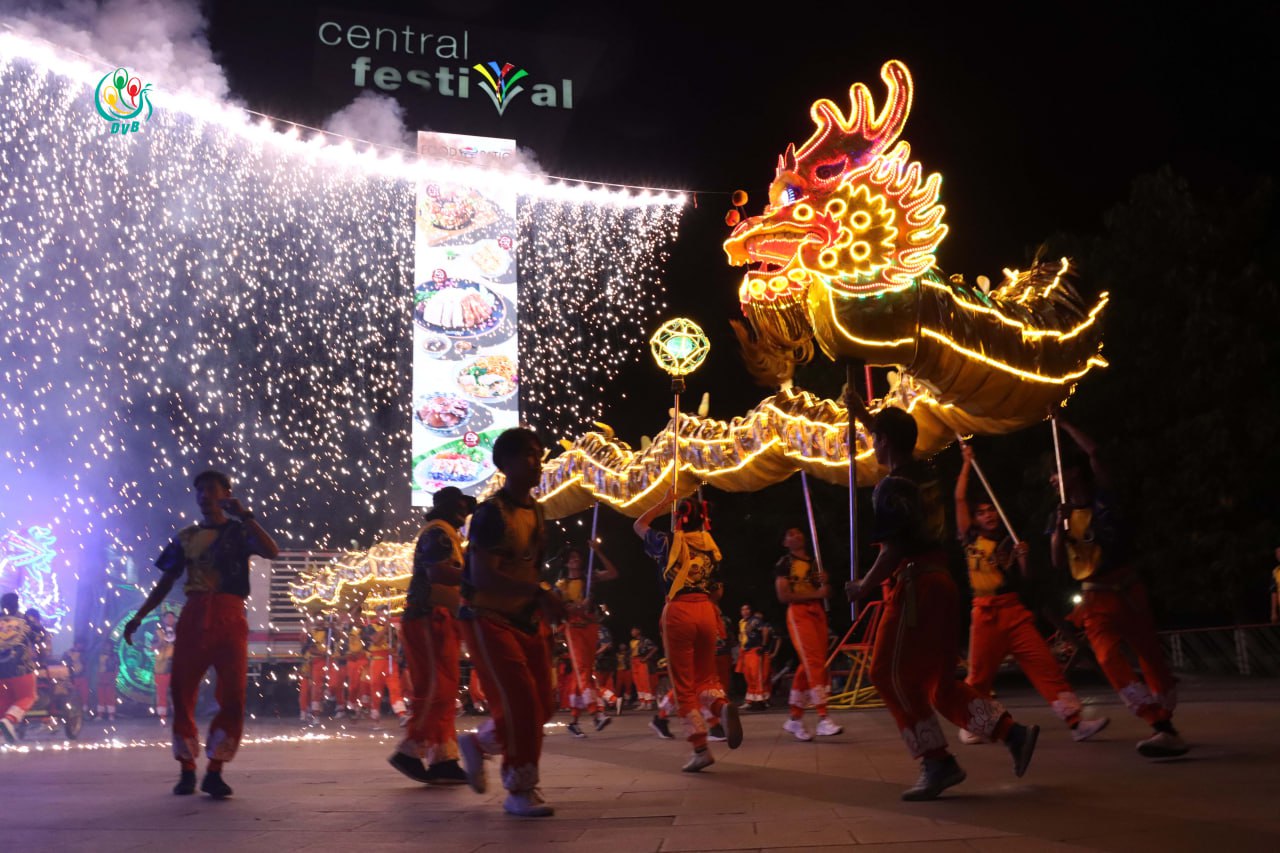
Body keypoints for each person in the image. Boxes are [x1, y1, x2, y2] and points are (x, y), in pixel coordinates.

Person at [844, 401, 1039, 801]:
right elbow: (896, 442)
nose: (871, 445)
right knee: (940, 686)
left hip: (915, 587)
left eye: (873, 439)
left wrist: (863, 586)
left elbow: (894, 548)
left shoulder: (891, 487)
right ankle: (1011, 733)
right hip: (943, 584)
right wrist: (864, 415)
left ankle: (936, 761)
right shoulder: (925, 473)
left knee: (886, 674)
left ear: (883, 442)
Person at [123, 469, 280, 799]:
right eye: (200, 491)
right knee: (181, 694)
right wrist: (139, 616)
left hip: (230, 616)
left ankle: (215, 771)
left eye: (211, 489)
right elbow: (165, 583)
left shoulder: (239, 532)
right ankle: (187, 769)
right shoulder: (186, 537)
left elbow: (272, 551)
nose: (204, 495)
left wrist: (246, 515)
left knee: (234, 697)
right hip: (194, 617)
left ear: (226, 494)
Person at [1050, 415, 1188, 758]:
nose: (1054, 480)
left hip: (1128, 590)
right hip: (1094, 600)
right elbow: (1056, 563)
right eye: (1051, 476)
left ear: (1075, 473)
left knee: (1151, 658)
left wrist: (1063, 424)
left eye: (1058, 473)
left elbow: (1095, 452)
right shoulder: (1060, 515)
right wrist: (1058, 531)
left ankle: (1165, 719)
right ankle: (1159, 725)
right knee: (1108, 658)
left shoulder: (1102, 498)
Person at [954, 444, 1108, 744]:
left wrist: (1022, 557)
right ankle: (973, 723)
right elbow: (959, 498)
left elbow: (1025, 579)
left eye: (991, 511)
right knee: (979, 678)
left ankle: (1075, 722)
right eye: (981, 513)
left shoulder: (1009, 542)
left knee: (1045, 666)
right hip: (985, 614)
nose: (988, 516)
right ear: (974, 519)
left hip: (1013, 612)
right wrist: (966, 464)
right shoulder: (969, 538)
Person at [456, 428, 565, 817]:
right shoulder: (491, 514)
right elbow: (483, 576)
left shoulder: (535, 510)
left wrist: (547, 600)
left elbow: (530, 567)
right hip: (487, 618)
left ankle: (481, 743)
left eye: (538, 454)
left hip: (525, 619)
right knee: (520, 701)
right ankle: (520, 789)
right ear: (505, 465)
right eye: (528, 456)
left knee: (543, 706)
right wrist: (538, 592)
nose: (537, 462)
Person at [634, 489, 743, 772]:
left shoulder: (668, 541)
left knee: (683, 685)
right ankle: (720, 707)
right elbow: (717, 589)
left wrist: (662, 503)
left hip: (679, 611)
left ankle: (700, 747)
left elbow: (638, 525)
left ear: (679, 518)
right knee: (706, 677)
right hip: (706, 611)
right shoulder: (710, 546)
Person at [390, 486, 475, 785]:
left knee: (445, 689)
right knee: (437, 689)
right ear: (455, 509)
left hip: (439, 617)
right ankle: (411, 749)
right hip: (429, 616)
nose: (466, 515)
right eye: (464, 508)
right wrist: (475, 575)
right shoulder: (438, 532)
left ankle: (443, 760)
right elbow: (437, 573)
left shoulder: (446, 534)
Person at [774, 527, 843, 741]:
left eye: (798, 532)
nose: (796, 535)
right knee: (813, 662)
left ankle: (795, 719)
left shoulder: (815, 563)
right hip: (799, 614)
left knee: (812, 663)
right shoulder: (784, 564)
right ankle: (823, 717)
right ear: (785, 542)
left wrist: (825, 583)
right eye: (790, 534)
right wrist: (817, 593)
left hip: (817, 613)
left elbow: (827, 592)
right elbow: (784, 595)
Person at [556, 542, 619, 737]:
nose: (576, 559)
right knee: (583, 670)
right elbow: (558, 608)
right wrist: (577, 607)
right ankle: (595, 713)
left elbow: (613, 573)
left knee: (582, 673)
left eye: (578, 556)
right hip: (573, 628)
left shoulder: (589, 578)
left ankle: (574, 721)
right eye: (572, 557)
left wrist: (598, 551)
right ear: (567, 563)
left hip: (591, 626)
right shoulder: (561, 585)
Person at [0, 592, 39, 743]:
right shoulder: (24, 620)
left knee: (4, 700)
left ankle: (2, 733)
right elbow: (39, 636)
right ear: (17, 604)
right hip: (20, 668)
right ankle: (10, 720)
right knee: (28, 696)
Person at [366, 604, 407, 725]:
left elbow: (396, 643)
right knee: (376, 689)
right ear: (377, 613)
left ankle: (401, 714)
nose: (383, 614)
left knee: (395, 687)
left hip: (390, 660)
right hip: (377, 661)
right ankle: (375, 714)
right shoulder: (370, 626)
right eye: (381, 612)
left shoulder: (392, 629)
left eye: (385, 612)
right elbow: (376, 640)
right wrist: (386, 628)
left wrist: (396, 652)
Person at [736, 604, 770, 710]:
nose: (745, 611)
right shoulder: (741, 622)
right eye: (743, 609)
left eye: (747, 609)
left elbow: (765, 630)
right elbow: (742, 635)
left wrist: (763, 645)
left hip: (755, 650)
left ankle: (760, 701)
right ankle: (750, 700)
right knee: (748, 676)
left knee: (757, 675)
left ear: (750, 611)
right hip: (745, 652)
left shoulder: (755, 620)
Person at [150, 610, 177, 725]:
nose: (170, 619)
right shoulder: (158, 633)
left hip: (177, 665)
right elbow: (152, 647)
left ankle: (180, 717)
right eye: (168, 617)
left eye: (172, 617)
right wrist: (159, 645)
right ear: (164, 620)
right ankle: (163, 717)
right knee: (162, 692)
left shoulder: (180, 631)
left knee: (178, 692)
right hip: (162, 666)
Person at [630, 626, 657, 710]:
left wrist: (646, 658)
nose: (632, 632)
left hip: (641, 661)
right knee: (637, 683)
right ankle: (642, 702)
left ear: (638, 631)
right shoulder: (632, 641)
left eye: (633, 630)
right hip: (634, 662)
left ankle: (648, 702)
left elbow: (654, 648)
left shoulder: (645, 640)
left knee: (644, 682)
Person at [97, 636, 119, 722]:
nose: (107, 647)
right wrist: (99, 676)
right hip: (102, 676)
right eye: (106, 645)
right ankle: (100, 715)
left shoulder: (115, 655)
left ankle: (111, 715)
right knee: (101, 696)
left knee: (110, 696)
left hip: (111, 675)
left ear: (111, 646)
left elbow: (117, 667)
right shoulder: (100, 655)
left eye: (109, 645)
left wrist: (114, 677)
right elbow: (98, 667)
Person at [1269, 547, 1280, 624]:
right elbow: (1274, 592)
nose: (1279, 555)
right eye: (1277, 553)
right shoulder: (1275, 572)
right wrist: (1273, 612)